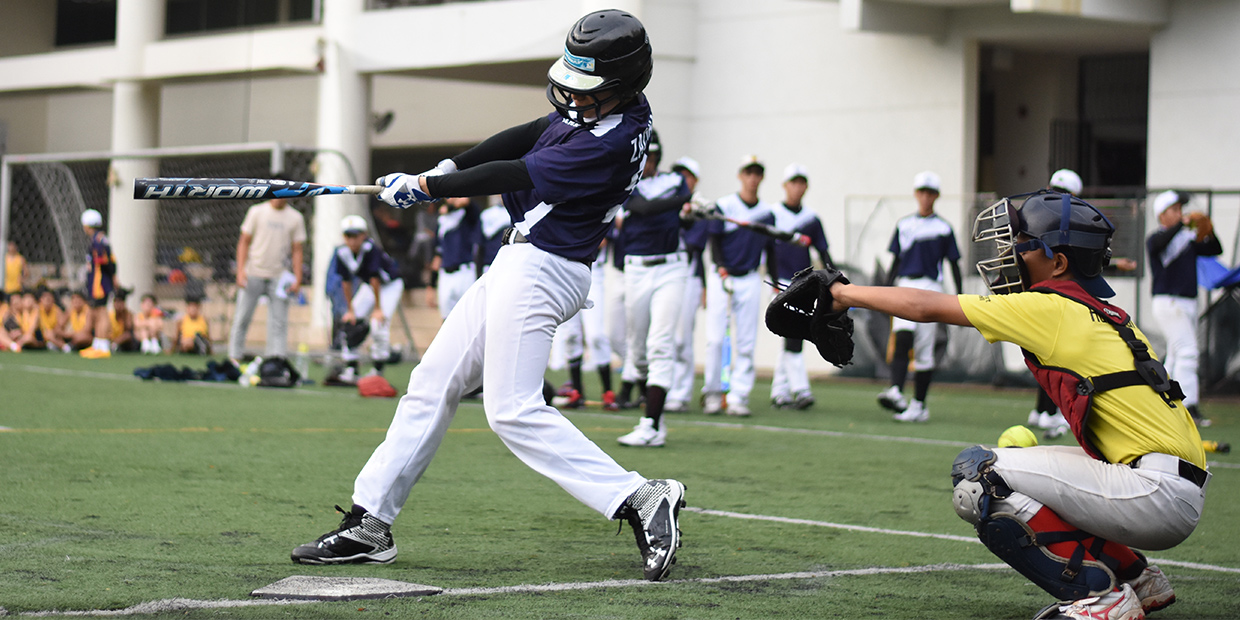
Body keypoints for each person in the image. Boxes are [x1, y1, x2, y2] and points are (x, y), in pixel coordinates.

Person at [290, 10, 686, 582]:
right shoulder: (604, 110)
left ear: (622, 87)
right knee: (432, 382)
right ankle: (370, 523)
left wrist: (428, 188)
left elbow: (518, 169)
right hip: (521, 259)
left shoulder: (608, 141)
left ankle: (640, 497)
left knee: (511, 410)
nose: (572, 96)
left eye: (587, 88)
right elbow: (527, 133)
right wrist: (446, 166)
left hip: (545, 268)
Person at [827, 190, 1204, 620]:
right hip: (1170, 487)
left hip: (1152, 495)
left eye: (1023, 244)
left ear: (1059, 263)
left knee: (978, 474)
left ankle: (1099, 597)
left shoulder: (1051, 306)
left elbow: (924, 305)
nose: (1011, 253)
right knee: (1027, 472)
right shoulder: (1104, 311)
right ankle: (1137, 577)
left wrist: (844, 293)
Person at [615, 131, 693, 447]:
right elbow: (644, 209)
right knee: (638, 350)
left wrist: (691, 213)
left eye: (651, 157)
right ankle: (653, 419)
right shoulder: (627, 183)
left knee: (661, 342)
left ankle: (651, 422)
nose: (647, 163)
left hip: (671, 267)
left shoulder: (675, 180)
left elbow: (676, 218)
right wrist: (684, 203)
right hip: (636, 268)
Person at [876, 171, 962, 422]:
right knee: (902, 338)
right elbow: (896, 261)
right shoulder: (903, 225)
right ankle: (896, 390)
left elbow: (954, 263)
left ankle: (919, 405)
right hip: (905, 285)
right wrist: (885, 290)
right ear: (916, 194)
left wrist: (959, 297)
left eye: (930, 192)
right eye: (922, 192)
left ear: (936, 196)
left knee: (924, 349)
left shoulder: (944, 228)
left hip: (931, 288)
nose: (925, 197)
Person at [701, 155, 778, 416]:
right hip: (722, 276)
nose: (753, 179)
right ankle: (712, 392)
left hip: (749, 277)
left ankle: (738, 395)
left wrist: (776, 284)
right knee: (715, 339)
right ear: (740, 176)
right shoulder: (724, 205)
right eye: (749, 173)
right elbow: (714, 241)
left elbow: (771, 249)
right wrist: (721, 267)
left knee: (745, 341)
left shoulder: (766, 214)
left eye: (757, 174)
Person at [1146, 189, 1222, 428]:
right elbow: (1161, 243)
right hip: (1169, 302)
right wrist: (1183, 224)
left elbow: (1214, 250)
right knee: (1188, 351)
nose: (1181, 213)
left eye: (1181, 209)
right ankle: (1188, 406)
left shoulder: (1186, 238)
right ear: (1162, 215)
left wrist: (1208, 230)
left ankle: (1162, 401)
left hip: (1187, 303)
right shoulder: (1156, 238)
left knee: (1177, 354)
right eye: (1175, 210)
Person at [769, 164, 833, 410]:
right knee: (793, 333)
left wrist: (834, 278)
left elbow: (823, 251)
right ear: (785, 186)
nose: (797, 187)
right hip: (780, 282)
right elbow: (766, 249)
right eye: (792, 182)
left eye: (801, 182)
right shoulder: (772, 214)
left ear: (805, 187)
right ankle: (801, 389)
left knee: (791, 334)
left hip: (803, 283)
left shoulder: (811, 219)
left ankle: (780, 392)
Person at [227, 190, 306, 361]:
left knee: (279, 322)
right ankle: (234, 358)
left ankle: (275, 360)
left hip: (278, 277)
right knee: (242, 317)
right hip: (253, 273)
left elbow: (297, 250)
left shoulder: (295, 218)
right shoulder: (256, 212)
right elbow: (244, 242)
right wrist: (240, 271)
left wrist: (298, 278)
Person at [333, 215, 405, 379]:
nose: (352, 240)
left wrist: (378, 309)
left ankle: (377, 370)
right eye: (348, 236)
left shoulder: (371, 249)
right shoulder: (342, 252)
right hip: (369, 286)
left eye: (355, 235)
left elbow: (375, 278)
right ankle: (351, 368)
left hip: (389, 285)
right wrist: (350, 310)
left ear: (363, 235)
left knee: (378, 323)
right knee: (351, 322)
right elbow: (346, 282)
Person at [665, 157, 706, 413]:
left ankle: (680, 392)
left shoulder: (700, 207)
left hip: (688, 276)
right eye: (678, 174)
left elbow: (694, 244)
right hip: (666, 273)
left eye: (686, 175)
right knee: (665, 336)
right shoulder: (668, 203)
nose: (681, 179)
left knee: (682, 338)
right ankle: (663, 387)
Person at [80, 209, 120, 359]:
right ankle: (97, 343)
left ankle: (103, 345)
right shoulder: (99, 239)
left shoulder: (98, 241)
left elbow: (105, 260)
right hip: (99, 281)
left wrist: (110, 277)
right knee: (96, 312)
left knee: (102, 312)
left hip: (100, 282)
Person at [432, 196, 479, 320]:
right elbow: (438, 253)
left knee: (468, 316)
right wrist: (430, 286)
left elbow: (466, 202)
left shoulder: (467, 214)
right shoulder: (442, 219)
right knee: (446, 318)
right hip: (445, 272)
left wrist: (450, 207)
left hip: (464, 271)